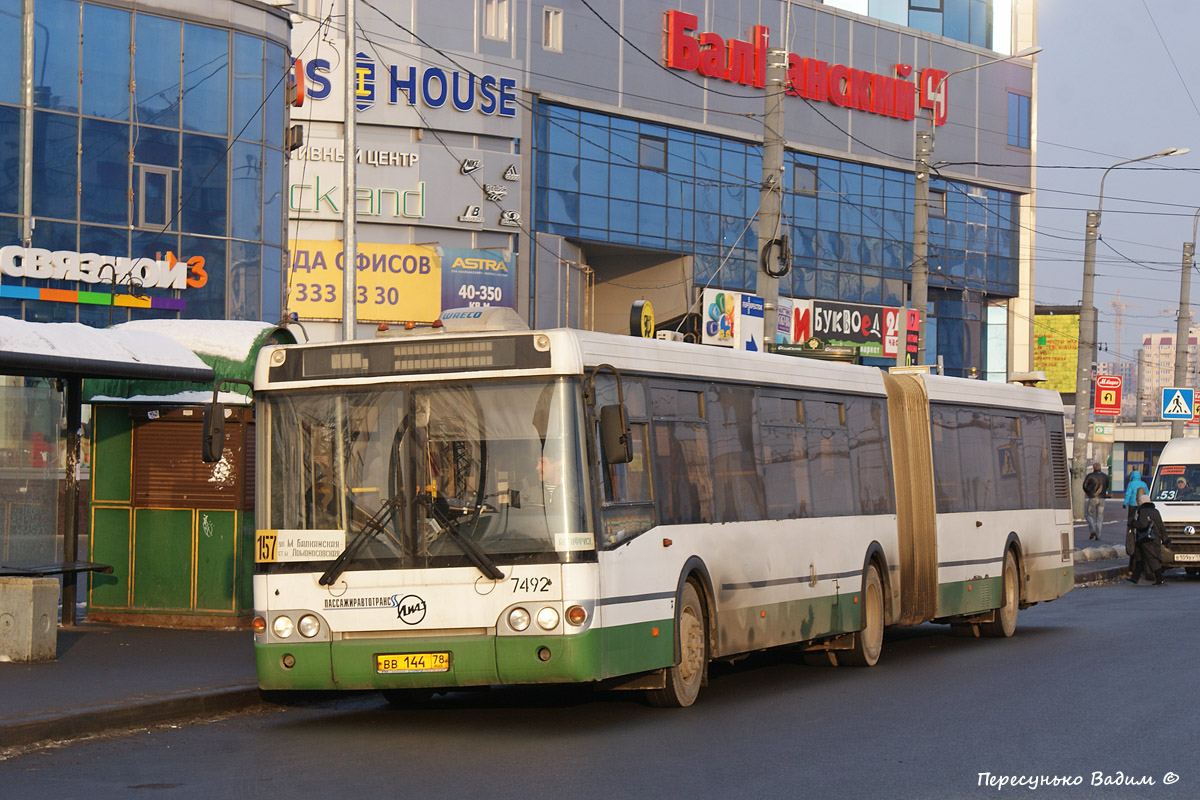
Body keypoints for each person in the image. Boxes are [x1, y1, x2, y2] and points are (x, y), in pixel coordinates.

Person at [1127, 490, 1166, 586]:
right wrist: (1165, 539)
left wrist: (1134, 524)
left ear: (1142, 502)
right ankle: (1135, 578)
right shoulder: (1156, 511)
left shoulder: (1143, 511)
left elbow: (1143, 524)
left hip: (1146, 539)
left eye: (1139, 501)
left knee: (1151, 558)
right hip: (1155, 538)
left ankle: (1160, 578)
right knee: (1140, 558)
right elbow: (1161, 526)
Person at [1082, 463, 1110, 540]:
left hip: (1093, 497)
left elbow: (1085, 486)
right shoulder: (1105, 476)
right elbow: (1107, 486)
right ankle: (1098, 535)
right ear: (1100, 468)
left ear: (1093, 468)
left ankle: (1092, 529)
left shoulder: (1090, 476)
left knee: (1088, 514)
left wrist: (1089, 492)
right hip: (1102, 498)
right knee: (1100, 517)